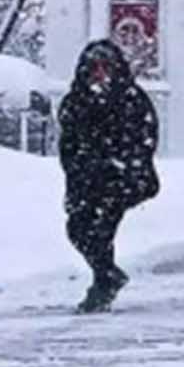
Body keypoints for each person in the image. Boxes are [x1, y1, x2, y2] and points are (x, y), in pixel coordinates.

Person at [57, 39, 161, 313]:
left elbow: (146, 139)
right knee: (78, 230)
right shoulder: (75, 101)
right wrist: (75, 178)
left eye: (106, 67)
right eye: (94, 68)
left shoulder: (131, 99)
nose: (100, 74)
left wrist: (128, 167)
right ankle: (106, 276)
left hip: (121, 180)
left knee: (101, 230)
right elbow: (67, 145)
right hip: (87, 181)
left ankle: (102, 285)